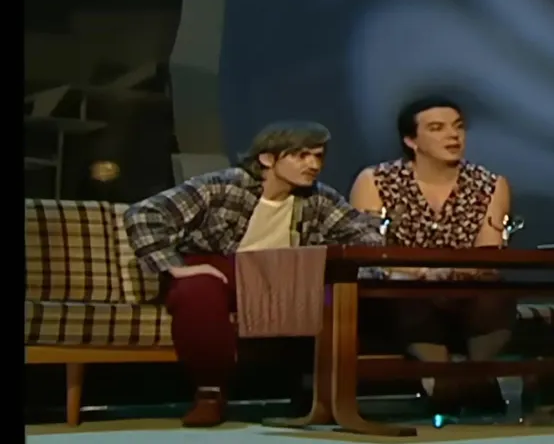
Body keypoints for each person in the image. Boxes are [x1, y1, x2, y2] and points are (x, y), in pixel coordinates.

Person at [124, 121, 384, 427]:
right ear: (267, 159)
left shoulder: (318, 198)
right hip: (223, 265)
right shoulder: (223, 185)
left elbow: (366, 237)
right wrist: (175, 266)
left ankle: (321, 394)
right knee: (197, 290)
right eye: (301, 156)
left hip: (281, 275)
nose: (314, 165)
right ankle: (210, 394)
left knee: (336, 296)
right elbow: (144, 213)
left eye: (318, 156)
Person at [350, 96, 514, 414]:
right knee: (408, 294)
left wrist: (457, 273)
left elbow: (488, 255)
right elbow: (370, 252)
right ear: (411, 141)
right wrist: (423, 272)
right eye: (437, 128)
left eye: (458, 127)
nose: (453, 136)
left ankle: (476, 376)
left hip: (464, 289)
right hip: (401, 287)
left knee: (495, 292)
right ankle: (441, 379)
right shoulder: (376, 180)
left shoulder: (490, 184)